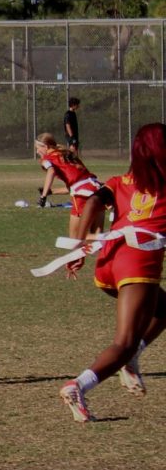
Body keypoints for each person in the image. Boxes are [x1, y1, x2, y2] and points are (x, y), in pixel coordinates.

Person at [56, 122, 166, 423]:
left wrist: (79, 244)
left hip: (108, 262)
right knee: (124, 342)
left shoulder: (121, 181)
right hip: (137, 265)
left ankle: (130, 359)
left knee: (163, 308)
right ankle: (78, 385)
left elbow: (93, 201)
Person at [35, 133, 103, 238]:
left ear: (46, 147)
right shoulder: (66, 154)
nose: (37, 151)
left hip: (83, 195)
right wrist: (52, 192)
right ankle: (112, 240)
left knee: (75, 239)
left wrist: (43, 196)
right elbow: (78, 183)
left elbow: (51, 171)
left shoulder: (47, 158)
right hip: (98, 189)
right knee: (96, 236)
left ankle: (115, 239)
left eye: (38, 148)